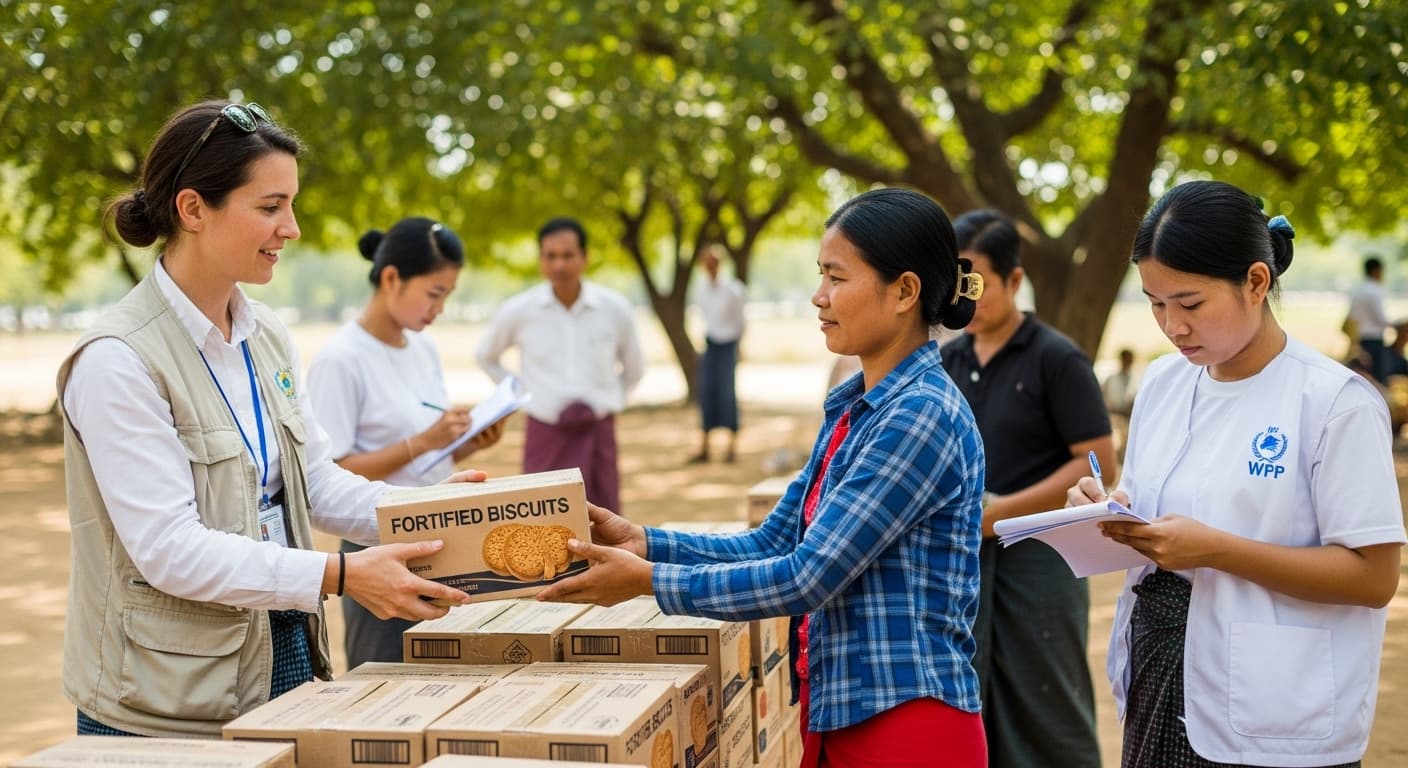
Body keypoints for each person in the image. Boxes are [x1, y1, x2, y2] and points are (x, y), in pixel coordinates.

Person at [57, 101, 478, 738]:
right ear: (193, 209)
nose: (292, 228)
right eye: (269, 206)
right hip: (164, 701)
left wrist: (422, 511)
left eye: (292, 204)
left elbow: (313, 481)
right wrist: (339, 575)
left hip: (282, 653)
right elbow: (169, 551)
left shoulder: (266, 334)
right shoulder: (119, 360)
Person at [539, 187, 990, 768]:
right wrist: (644, 541)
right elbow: (773, 542)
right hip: (844, 713)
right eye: (819, 276)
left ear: (904, 291)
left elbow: (807, 577)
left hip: (907, 727)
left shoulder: (920, 414)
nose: (818, 296)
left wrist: (648, 580)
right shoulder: (858, 407)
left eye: (837, 277)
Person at [1068, 180, 1405, 767]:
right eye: (1155, 303)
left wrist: (1216, 550)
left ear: (1255, 282)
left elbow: (1374, 578)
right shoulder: (1164, 384)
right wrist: (1110, 511)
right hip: (1160, 675)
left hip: (1277, 707)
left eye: (1190, 303)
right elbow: (1155, 501)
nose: (1172, 327)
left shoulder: (1334, 402)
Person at [939, 209, 1112, 768]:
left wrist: (996, 515)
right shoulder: (947, 360)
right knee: (973, 700)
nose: (965, 295)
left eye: (977, 282)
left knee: (1047, 700)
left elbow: (1095, 463)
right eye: (955, 281)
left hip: (1041, 561)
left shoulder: (1055, 359)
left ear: (1015, 281)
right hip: (968, 561)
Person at [307, 217, 505, 668]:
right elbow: (328, 475)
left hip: (443, 533)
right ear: (392, 277)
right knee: (386, 672)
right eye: (434, 294)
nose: (438, 309)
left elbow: (424, 457)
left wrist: (465, 444)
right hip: (377, 543)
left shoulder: (423, 348)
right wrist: (423, 441)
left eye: (447, 296)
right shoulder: (341, 360)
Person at [476, 217, 643, 513]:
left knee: (605, 523)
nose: (559, 265)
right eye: (550, 256)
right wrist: (523, 393)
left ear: (585, 257)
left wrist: (607, 399)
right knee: (542, 523)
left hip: (598, 431)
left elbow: (635, 368)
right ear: (541, 260)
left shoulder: (614, 308)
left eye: (568, 255)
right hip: (545, 430)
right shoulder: (519, 310)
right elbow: (486, 356)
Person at [688, 244, 746, 464]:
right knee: (706, 393)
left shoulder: (733, 289)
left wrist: (739, 347)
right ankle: (705, 447)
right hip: (710, 343)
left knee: (727, 394)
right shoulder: (701, 288)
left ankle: (732, 448)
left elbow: (740, 322)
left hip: (727, 344)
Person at [1346, 256, 1391, 382]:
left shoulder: (1358, 290)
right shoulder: (1375, 291)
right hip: (1374, 340)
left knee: (1361, 377)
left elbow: (1351, 317)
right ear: (1376, 270)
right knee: (1376, 378)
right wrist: (1397, 324)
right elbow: (1381, 319)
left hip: (1359, 338)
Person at [1103, 347, 1138, 418]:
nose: (1128, 363)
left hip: (1128, 415)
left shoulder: (1135, 380)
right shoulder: (1111, 379)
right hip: (1112, 414)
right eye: (1126, 360)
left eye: (1129, 360)